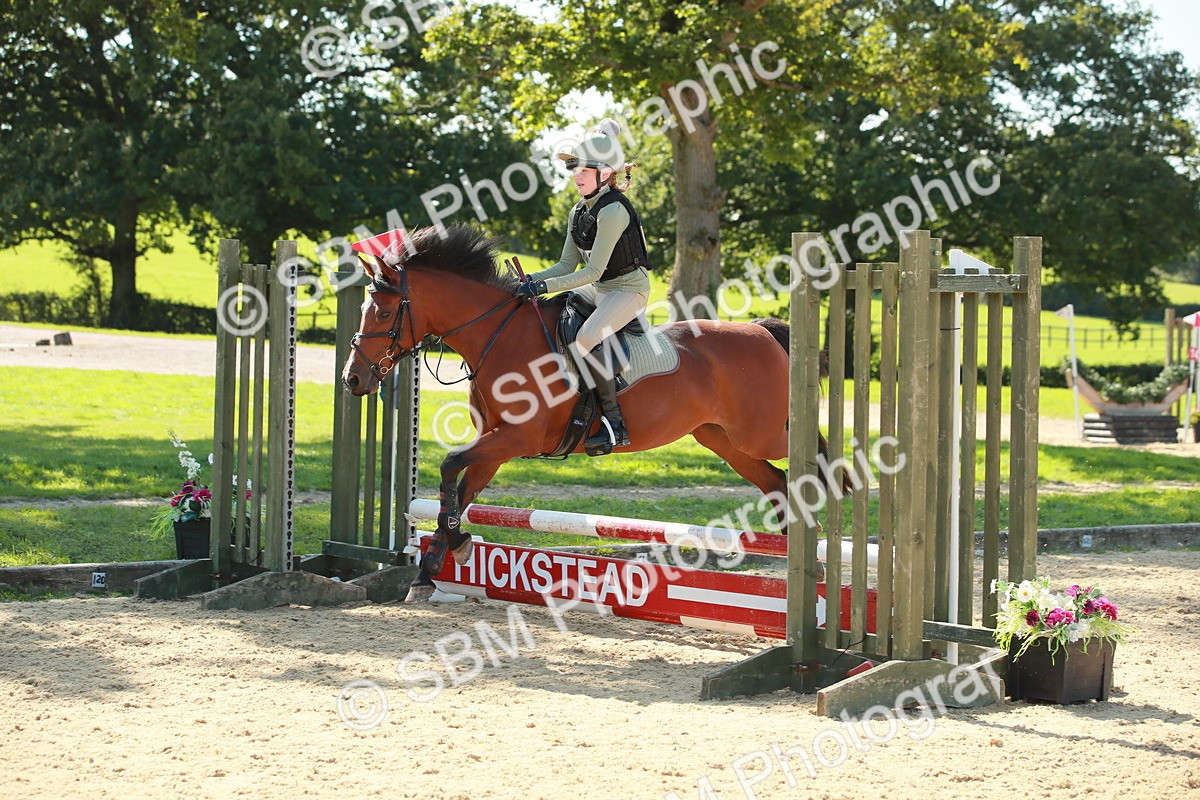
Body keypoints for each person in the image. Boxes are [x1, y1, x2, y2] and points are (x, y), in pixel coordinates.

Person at [514, 118, 651, 452]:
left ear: (606, 173)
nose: (576, 175)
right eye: (574, 168)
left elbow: (592, 271)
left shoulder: (615, 210)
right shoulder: (578, 211)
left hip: (627, 289)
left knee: (588, 336)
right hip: (600, 287)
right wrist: (528, 281)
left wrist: (543, 287)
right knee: (556, 314)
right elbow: (565, 265)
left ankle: (616, 424)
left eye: (584, 169)